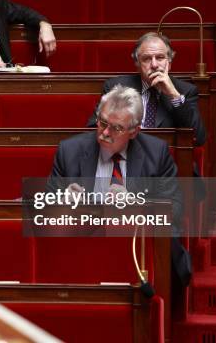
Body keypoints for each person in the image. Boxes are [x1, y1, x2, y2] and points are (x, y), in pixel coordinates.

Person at [50, 84, 191, 288]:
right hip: (82, 246)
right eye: (102, 123)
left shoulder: (156, 153)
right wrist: (62, 198)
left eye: (116, 128)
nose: (105, 133)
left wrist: (136, 204)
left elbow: (175, 209)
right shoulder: (70, 150)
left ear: (134, 132)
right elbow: (43, 206)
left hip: (135, 249)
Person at [87, 32, 206, 147]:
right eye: (147, 59)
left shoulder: (185, 91)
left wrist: (174, 95)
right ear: (137, 64)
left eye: (160, 58)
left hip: (167, 161)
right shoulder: (116, 87)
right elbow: (93, 129)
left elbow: (198, 139)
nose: (154, 65)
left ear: (169, 63)